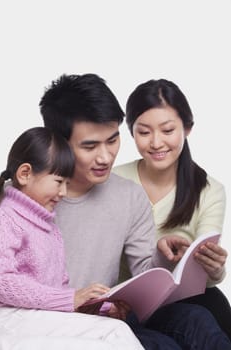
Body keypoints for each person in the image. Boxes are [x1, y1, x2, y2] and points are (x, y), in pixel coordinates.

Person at [39, 73, 231, 350]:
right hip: (64, 318)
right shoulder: (30, 194)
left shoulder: (129, 193)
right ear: (58, 143)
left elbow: (144, 273)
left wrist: (163, 255)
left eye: (113, 140)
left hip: (112, 313)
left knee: (199, 318)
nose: (105, 156)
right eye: (90, 146)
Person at [0, 126, 144, 350]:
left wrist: (99, 307)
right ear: (25, 174)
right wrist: (70, 299)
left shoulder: (49, 228)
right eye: (58, 182)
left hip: (38, 318)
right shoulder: (6, 217)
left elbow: (59, 289)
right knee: (111, 337)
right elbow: (1, 282)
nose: (64, 192)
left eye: (67, 183)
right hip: (9, 320)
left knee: (117, 331)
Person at [113, 78, 231, 340]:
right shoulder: (114, 180)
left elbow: (206, 274)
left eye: (167, 131)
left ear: (187, 129)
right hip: (123, 300)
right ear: (131, 132)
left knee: (213, 315)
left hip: (183, 298)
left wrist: (215, 269)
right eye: (144, 132)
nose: (156, 143)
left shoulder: (209, 190)